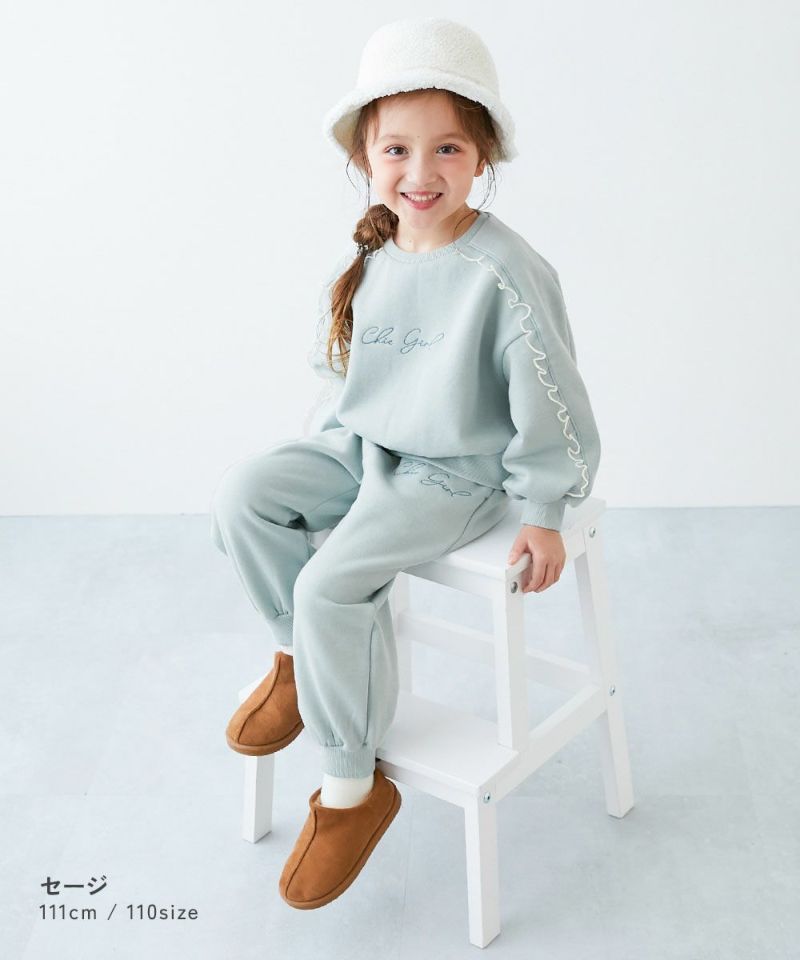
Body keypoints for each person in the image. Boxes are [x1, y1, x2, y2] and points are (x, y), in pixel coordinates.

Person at [209, 16, 601, 911]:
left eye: (447, 148)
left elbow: (553, 398)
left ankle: (352, 786)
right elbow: (343, 369)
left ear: (482, 155)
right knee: (244, 496)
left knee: (329, 585)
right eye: (397, 149)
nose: (421, 173)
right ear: (365, 156)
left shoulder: (504, 272)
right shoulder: (373, 249)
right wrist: (327, 447)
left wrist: (546, 509)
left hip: (452, 473)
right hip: (363, 447)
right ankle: (300, 660)